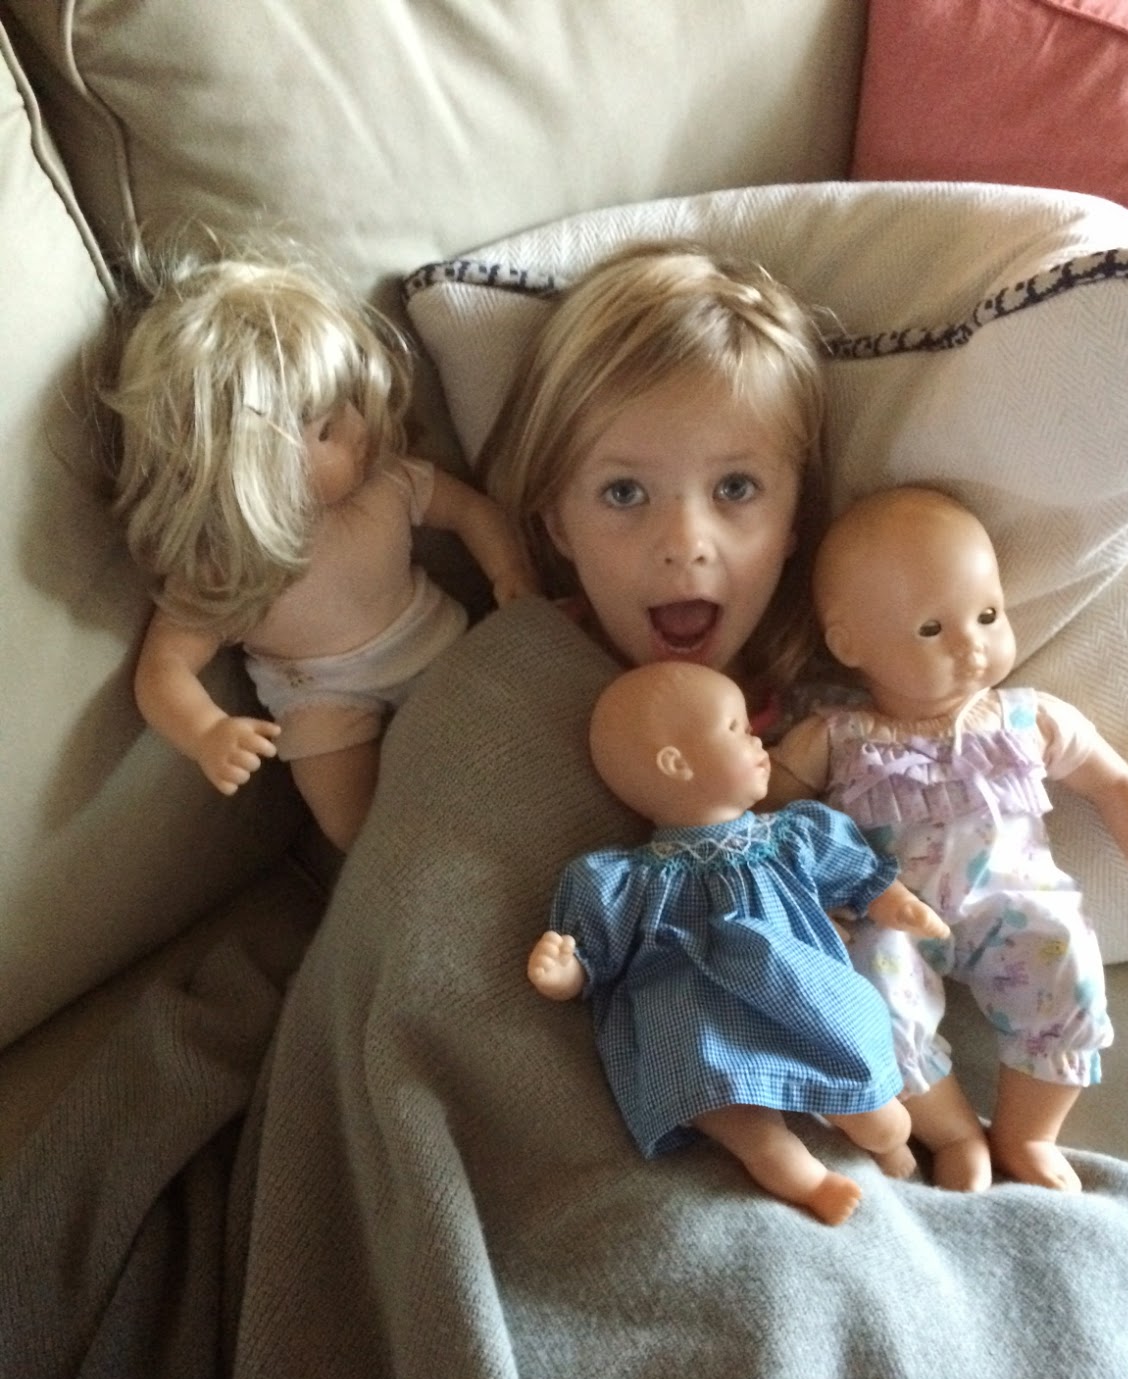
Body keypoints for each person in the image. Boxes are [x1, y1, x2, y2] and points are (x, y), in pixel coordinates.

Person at [770, 485, 1128, 1193]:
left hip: (1016, 906)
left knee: (1069, 965)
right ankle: (954, 1132)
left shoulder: (1027, 720)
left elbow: (1114, 781)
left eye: (988, 615)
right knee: (873, 1002)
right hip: (889, 915)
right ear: (848, 643)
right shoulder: (838, 738)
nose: (970, 644)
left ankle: (1028, 1133)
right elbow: (769, 810)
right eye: (932, 629)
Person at [105, 246, 534, 850]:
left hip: (436, 647)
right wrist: (206, 733)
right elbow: (163, 670)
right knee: (349, 818)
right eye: (328, 429)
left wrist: (510, 570)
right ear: (250, 474)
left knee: (515, 738)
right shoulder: (226, 565)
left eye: (351, 401)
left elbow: (472, 511)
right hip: (319, 696)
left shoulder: (387, 482)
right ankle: (387, 866)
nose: (361, 429)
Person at [527, 660, 952, 1224]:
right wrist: (565, 975)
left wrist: (897, 903)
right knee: (730, 1109)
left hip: (799, 994)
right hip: (695, 1017)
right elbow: (595, 955)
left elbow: (856, 874)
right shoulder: (627, 878)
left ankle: (887, 1139)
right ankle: (801, 1177)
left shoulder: (791, 835)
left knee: (877, 1105)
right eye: (737, 729)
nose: (758, 741)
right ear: (676, 764)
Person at [483, 240, 826, 729]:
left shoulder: (831, 721)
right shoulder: (512, 685)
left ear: (795, 514)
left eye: (735, 487)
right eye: (624, 492)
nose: (685, 545)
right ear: (558, 523)